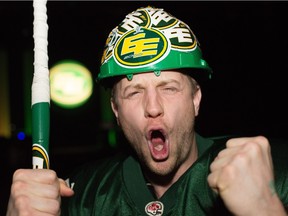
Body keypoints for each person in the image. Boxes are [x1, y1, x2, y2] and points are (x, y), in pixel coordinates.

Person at [6, 6, 288, 216]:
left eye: (169, 88)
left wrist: (265, 209)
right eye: (134, 92)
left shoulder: (275, 171)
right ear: (115, 109)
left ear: (196, 98)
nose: (153, 108)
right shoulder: (83, 196)